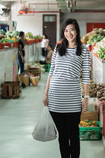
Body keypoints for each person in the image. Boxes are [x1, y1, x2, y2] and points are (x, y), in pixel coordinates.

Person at [43, 19, 90, 158]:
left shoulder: (83, 50)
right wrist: (46, 94)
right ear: (63, 32)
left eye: (72, 30)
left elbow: (86, 76)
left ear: (77, 31)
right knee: (62, 135)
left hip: (73, 98)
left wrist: (86, 98)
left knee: (74, 134)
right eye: (66, 30)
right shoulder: (58, 48)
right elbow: (51, 73)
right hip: (55, 98)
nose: (69, 33)